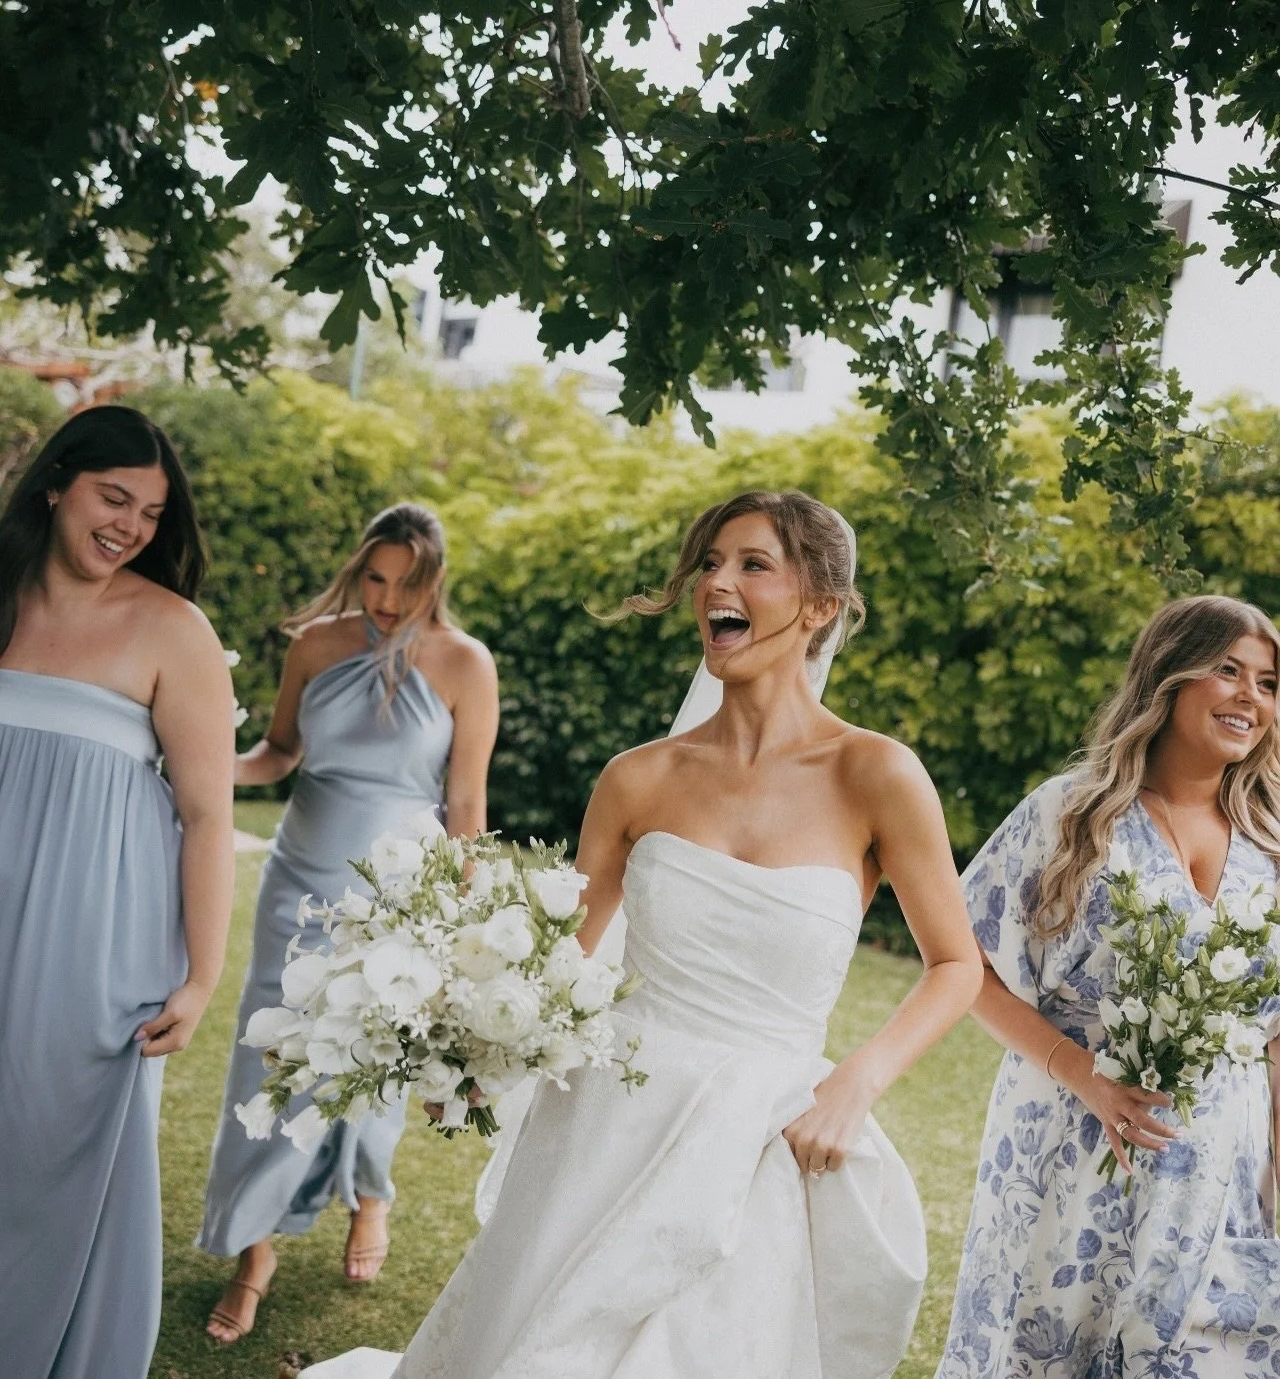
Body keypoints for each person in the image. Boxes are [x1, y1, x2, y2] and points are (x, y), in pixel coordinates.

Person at [297, 487, 984, 1379]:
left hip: (756, 1134)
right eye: (708, 563)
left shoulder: (877, 773)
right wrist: (468, 1056)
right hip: (599, 1125)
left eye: (751, 564)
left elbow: (956, 964)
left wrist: (856, 1083)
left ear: (821, 606)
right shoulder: (639, 779)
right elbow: (564, 957)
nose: (714, 584)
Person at [937, 594, 1280, 1379]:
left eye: (1267, 683)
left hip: (1218, 1169)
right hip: (1065, 1143)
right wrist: (1085, 1076)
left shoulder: (1271, 845)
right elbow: (966, 963)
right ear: (1169, 674)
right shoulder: (1071, 814)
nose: (1250, 698)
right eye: (1227, 671)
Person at [199, 503, 499, 1345]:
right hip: (300, 875)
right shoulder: (316, 645)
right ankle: (253, 1252)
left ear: (435, 582)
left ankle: (372, 1196)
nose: (389, 600)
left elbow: (466, 803)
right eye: (375, 578)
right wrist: (199, 761)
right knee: (271, 1056)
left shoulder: (467, 665)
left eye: (408, 584)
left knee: (379, 1058)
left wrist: (464, 918)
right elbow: (277, 752)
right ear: (357, 569)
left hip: (400, 890)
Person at [0, 404, 236, 1379]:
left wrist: (201, 976)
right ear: (56, 482)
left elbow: (209, 815)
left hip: (91, 953)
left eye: (150, 509)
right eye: (113, 496)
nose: (131, 523)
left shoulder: (170, 628)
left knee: (57, 1154)